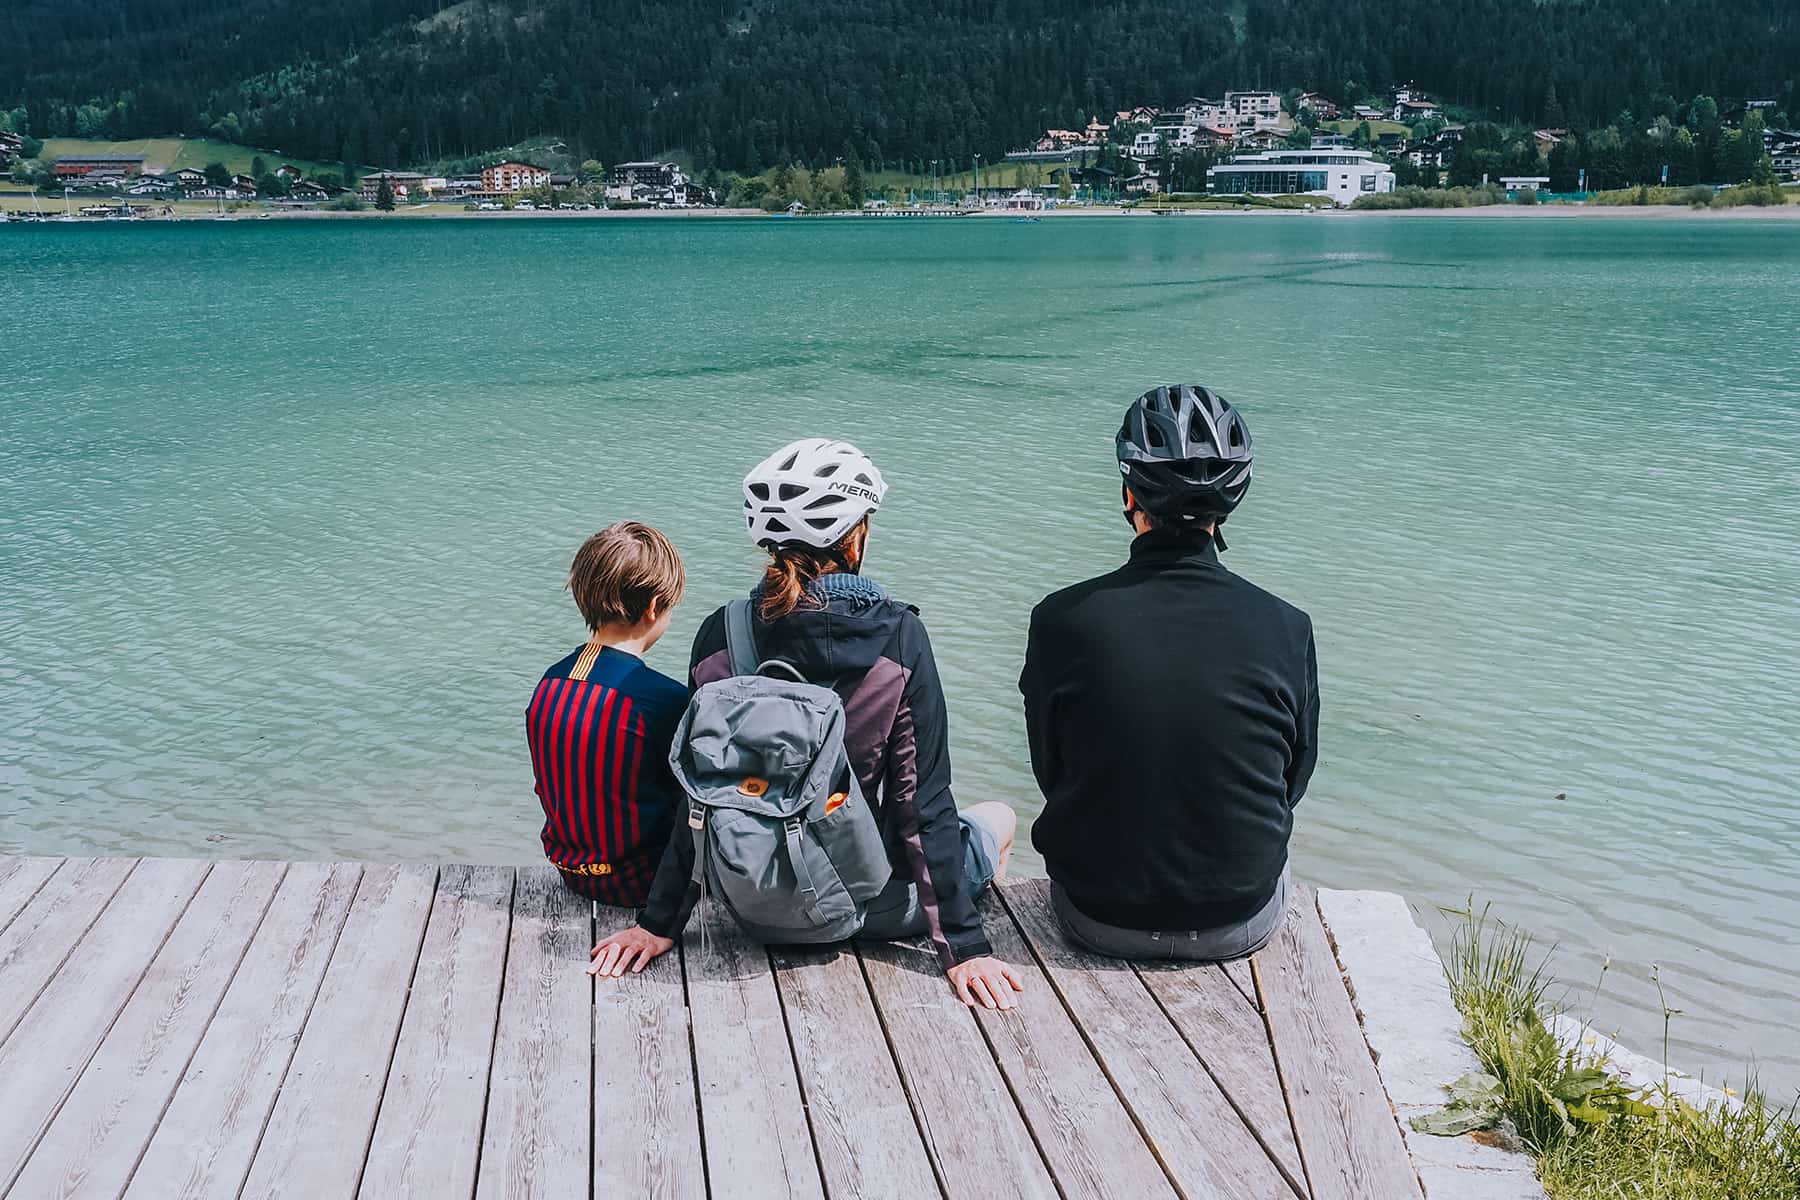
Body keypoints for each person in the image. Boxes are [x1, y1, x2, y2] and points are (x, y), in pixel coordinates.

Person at [591, 438, 1025, 1009]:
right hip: (866, 906)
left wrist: (658, 922)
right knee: (998, 818)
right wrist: (965, 947)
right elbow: (921, 805)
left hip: (750, 903)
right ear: (855, 538)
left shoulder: (723, 633)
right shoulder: (898, 638)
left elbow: (696, 792)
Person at [1020, 385, 1318, 961]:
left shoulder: (1060, 619)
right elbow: (1291, 782)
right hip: (1238, 920)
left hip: (1096, 913)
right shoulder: (1287, 626)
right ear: (1232, 500)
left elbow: (1051, 769)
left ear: (1129, 493)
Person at [525, 521, 689, 907]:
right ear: (654, 607)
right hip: (644, 883)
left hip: (572, 873)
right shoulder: (662, 699)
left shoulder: (549, 684)